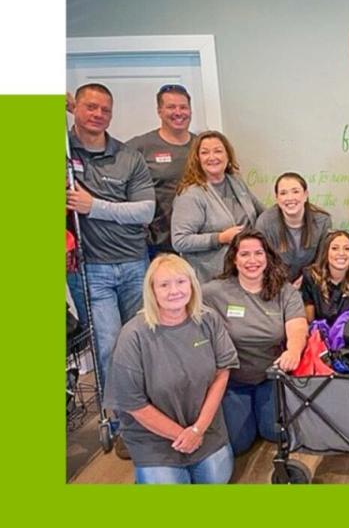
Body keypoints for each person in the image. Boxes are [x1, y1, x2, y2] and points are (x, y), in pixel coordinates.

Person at [103, 254, 238, 483]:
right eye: (164, 285)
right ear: (152, 291)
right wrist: (182, 435)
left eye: (181, 282)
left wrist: (198, 430)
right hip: (154, 440)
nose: (174, 291)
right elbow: (134, 404)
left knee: (215, 481)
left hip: (205, 430)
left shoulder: (208, 320)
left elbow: (222, 372)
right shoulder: (132, 336)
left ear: (192, 285)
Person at [66, 83, 155, 389]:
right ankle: (118, 420)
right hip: (90, 268)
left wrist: (94, 206)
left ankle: (143, 407)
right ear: (74, 107)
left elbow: (145, 211)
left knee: (141, 341)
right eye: (90, 107)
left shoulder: (128, 156)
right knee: (107, 347)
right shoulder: (62, 152)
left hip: (134, 263)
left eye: (105, 109)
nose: (98, 114)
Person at [202, 231, 306, 456]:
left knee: (275, 434)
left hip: (270, 377)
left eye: (258, 253)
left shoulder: (284, 290)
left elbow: (297, 325)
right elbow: (184, 303)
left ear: (267, 257)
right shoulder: (214, 292)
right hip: (233, 379)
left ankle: (260, 416)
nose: (252, 260)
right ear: (234, 259)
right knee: (238, 444)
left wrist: (294, 350)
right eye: (245, 254)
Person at [171, 130, 266, 283]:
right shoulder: (190, 194)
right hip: (212, 280)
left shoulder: (236, 181)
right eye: (205, 152)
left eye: (218, 151)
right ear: (197, 158)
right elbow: (180, 241)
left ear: (227, 156)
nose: (212, 157)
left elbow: (263, 213)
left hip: (244, 274)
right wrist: (220, 238)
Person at [125, 84, 196, 256]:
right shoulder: (139, 147)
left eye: (183, 107)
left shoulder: (203, 146)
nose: (178, 112)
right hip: (156, 246)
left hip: (197, 243)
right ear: (159, 111)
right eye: (171, 107)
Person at [255, 172, 332, 284]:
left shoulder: (322, 221)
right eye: (283, 193)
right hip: (274, 284)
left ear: (306, 195)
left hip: (311, 283)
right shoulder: (265, 223)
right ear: (277, 198)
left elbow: (322, 260)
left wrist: (306, 279)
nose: (290, 198)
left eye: (295, 191)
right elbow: (261, 262)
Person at [300, 230, 349, 323]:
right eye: (335, 248)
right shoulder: (311, 275)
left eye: (347, 249)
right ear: (326, 252)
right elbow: (309, 320)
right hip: (322, 332)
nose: (341, 253)